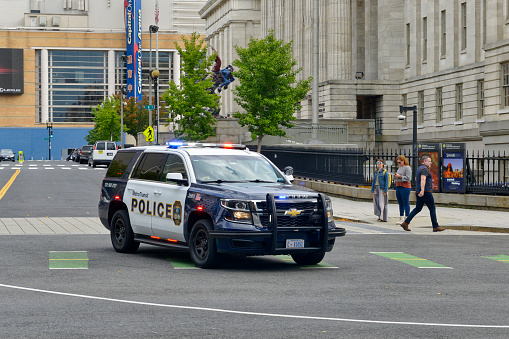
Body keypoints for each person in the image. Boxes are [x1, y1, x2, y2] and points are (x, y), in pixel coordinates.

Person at [401, 154, 445, 232]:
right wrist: (422, 190)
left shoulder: (419, 168)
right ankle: (435, 226)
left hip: (418, 191)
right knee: (432, 208)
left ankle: (405, 222)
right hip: (425, 192)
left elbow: (416, 178)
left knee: (418, 208)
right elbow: (422, 179)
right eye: (429, 161)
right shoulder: (425, 169)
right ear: (424, 161)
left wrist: (420, 190)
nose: (430, 163)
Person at [394, 155, 412, 225]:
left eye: (400, 162)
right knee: (400, 203)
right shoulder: (399, 168)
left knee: (405, 202)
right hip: (398, 186)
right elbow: (398, 177)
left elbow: (408, 178)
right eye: (397, 162)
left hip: (405, 187)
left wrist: (400, 176)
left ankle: (407, 219)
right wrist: (395, 176)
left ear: (403, 161)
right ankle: (401, 218)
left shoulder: (407, 168)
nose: (399, 163)